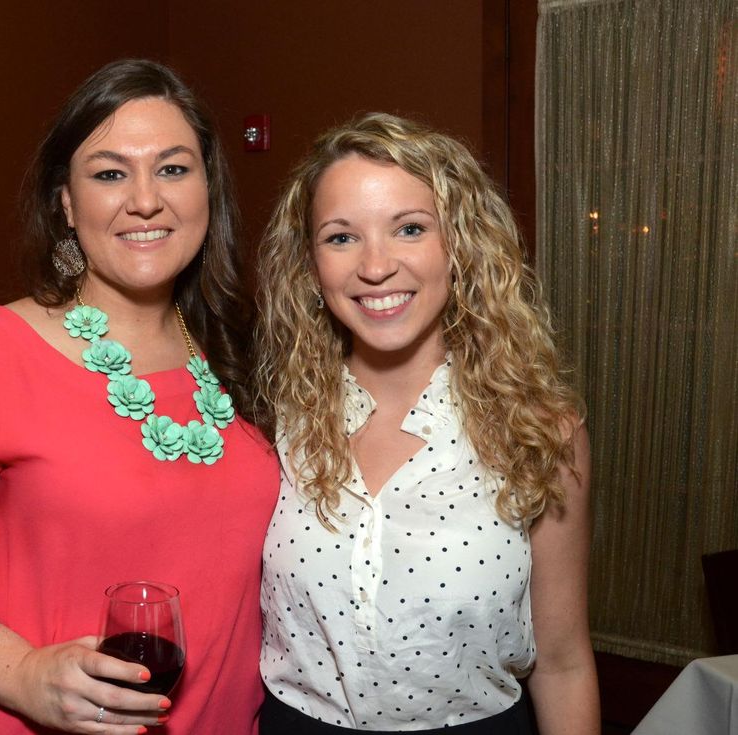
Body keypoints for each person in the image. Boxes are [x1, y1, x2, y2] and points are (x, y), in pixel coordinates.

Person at [0, 59, 279, 735]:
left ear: (208, 188)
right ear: (65, 202)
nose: (145, 200)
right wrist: (22, 674)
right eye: (110, 174)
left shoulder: (243, 351)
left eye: (174, 169)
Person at [251, 113, 599, 734]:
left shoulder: (539, 430)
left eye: (409, 228)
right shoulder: (274, 419)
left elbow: (564, 662)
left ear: (460, 245)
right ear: (309, 264)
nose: (375, 266)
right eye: (341, 237)